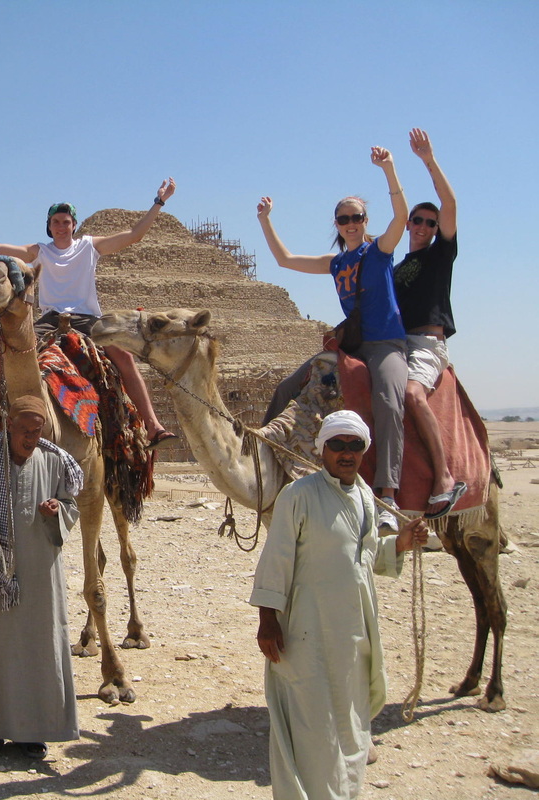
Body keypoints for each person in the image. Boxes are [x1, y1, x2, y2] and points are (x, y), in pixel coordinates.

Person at [250, 410, 428, 799]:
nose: (346, 453)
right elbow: (275, 560)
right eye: (337, 444)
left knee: (349, 719)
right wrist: (268, 620)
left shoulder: (365, 496)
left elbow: (365, 557)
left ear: (364, 450)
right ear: (322, 449)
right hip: (305, 631)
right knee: (312, 724)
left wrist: (400, 544)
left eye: (354, 445)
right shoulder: (298, 495)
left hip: (352, 632)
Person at [0, 181, 178, 450]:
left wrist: (159, 202)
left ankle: (153, 426)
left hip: (87, 319)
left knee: (124, 357)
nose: (61, 226)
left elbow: (134, 235)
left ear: (74, 225)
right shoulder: (40, 251)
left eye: (66, 222)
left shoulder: (89, 246)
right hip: (50, 321)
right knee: (7, 359)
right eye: (56, 222)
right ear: (49, 225)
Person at [257, 147, 408, 530]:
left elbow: (401, 218)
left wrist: (389, 169)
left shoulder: (380, 251)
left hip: (385, 344)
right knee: (287, 387)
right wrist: (265, 221)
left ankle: (388, 493)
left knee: (388, 402)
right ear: (337, 224)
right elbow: (285, 260)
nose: (351, 223)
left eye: (356, 217)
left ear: (365, 221)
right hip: (351, 347)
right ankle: (263, 466)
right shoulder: (336, 263)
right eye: (344, 219)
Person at [0, 395, 83, 760]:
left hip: (42, 572)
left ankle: (33, 732)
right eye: (23, 430)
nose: (29, 437)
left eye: (35, 431)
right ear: (8, 426)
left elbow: (71, 507)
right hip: (0, 577)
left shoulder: (54, 461)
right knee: (0, 648)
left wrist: (57, 510)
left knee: (41, 643)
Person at [393, 129, 466, 519]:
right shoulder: (397, 268)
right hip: (396, 344)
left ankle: (444, 477)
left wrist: (428, 160)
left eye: (430, 223)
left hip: (425, 344)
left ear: (437, 230)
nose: (423, 226)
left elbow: (449, 203)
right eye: (417, 220)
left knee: (412, 395)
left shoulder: (440, 255)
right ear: (407, 224)